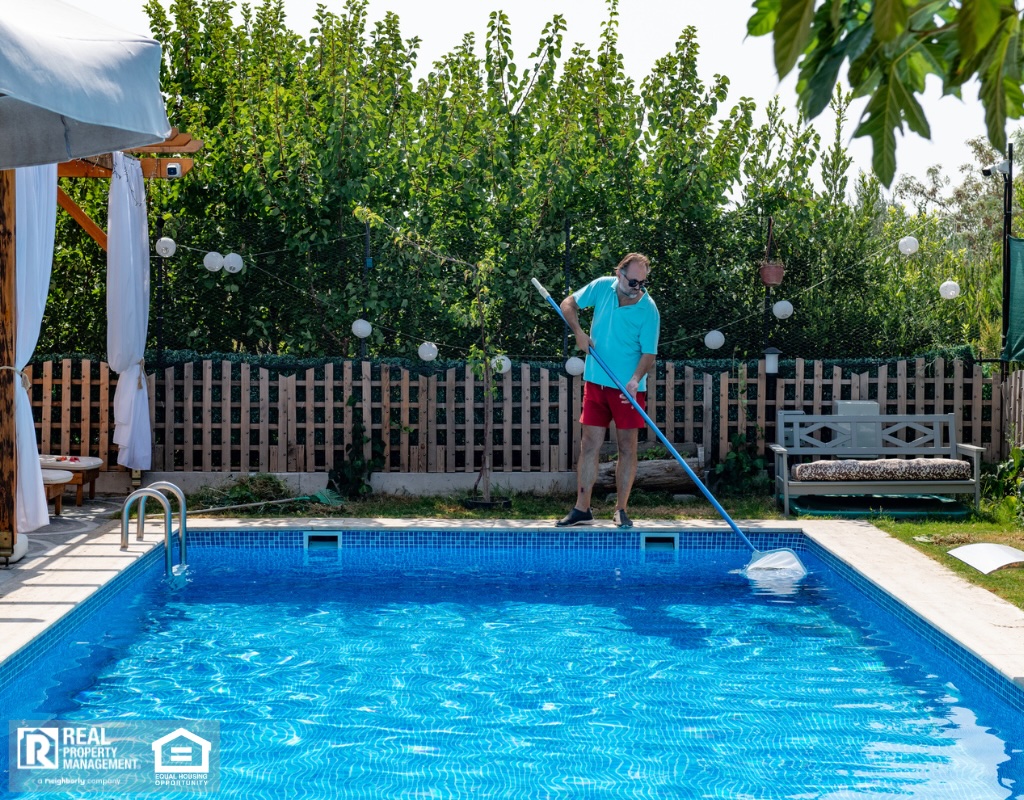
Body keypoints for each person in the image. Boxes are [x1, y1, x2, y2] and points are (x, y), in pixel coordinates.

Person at [556, 253, 660, 528]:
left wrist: (636, 378)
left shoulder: (648, 309)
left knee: (627, 448)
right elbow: (567, 304)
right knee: (589, 445)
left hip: (628, 389)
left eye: (642, 282)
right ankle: (582, 508)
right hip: (596, 381)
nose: (637, 286)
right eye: (633, 280)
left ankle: (621, 509)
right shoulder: (603, 287)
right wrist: (578, 332)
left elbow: (649, 353)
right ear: (620, 274)